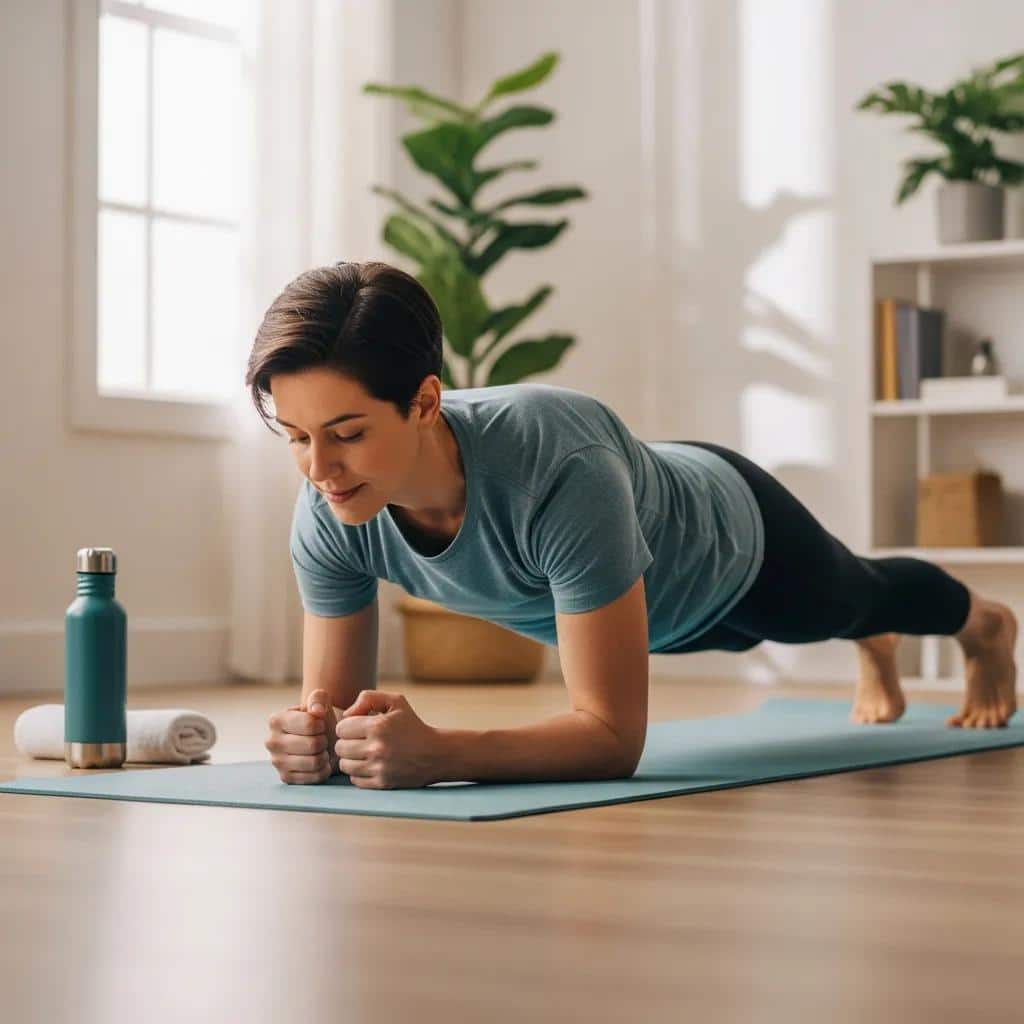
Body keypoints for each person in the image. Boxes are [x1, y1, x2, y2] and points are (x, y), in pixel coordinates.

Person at [253, 261, 1018, 789]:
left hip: (734, 547)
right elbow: (334, 711)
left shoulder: (556, 464)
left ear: (423, 403)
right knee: (855, 606)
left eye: (347, 433)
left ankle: (983, 626)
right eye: (295, 436)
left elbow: (612, 739)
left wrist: (441, 752)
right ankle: (872, 639)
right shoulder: (329, 510)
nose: (318, 467)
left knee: (862, 595)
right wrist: (311, 741)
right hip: (650, 593)